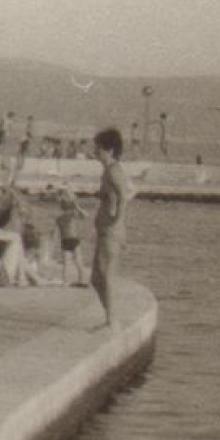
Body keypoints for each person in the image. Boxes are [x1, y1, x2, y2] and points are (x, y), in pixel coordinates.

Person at [91, 127, 133, 328]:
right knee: (96, 278)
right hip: (106, 229)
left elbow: (124, 195)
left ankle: (111, 321)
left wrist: (117, 218)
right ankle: (111, 316)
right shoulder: (109, 170)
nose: (95, 152)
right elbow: (118, 195)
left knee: (106, 274)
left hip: (111, 231)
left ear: (109, 150)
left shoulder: (114, 170)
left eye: (98, 149)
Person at [54, 185, 88, 285]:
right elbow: (84, 215)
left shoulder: (65, 216)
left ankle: (68, 281)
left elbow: (84, 215)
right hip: (71, 239)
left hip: (69, 239)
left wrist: (77, 207)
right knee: (76, 261)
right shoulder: (67, 216)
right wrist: (77, 207)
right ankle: (78, 280)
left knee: (69, 262)